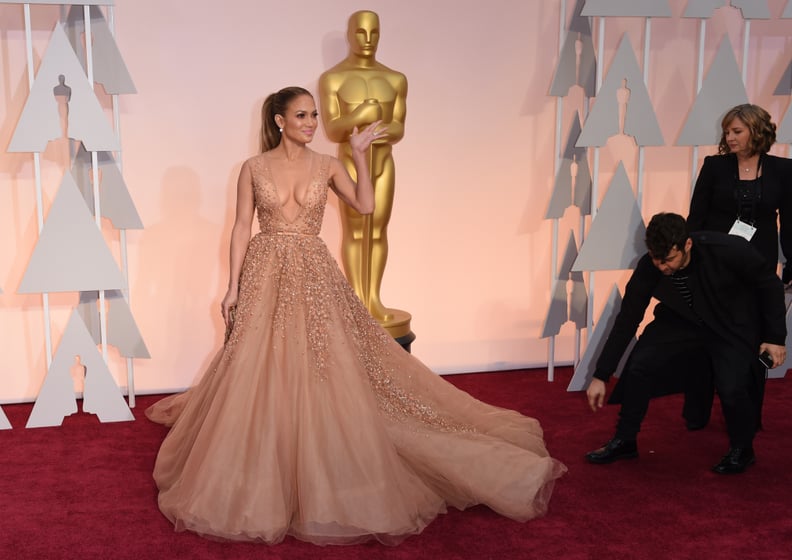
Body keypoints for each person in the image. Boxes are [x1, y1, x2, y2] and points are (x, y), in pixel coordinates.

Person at [145, 87, 565, 545]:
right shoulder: (253, 168)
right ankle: (268, 460)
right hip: (264, 271)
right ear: (280, 121)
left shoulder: (326, 165)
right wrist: (232, 287)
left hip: (312, 274)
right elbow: (243, 227)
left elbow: (364, 206)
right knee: (256, 363)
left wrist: (360, 156)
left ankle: (319, 462)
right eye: (302, 115)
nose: (312, 122)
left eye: (315, 115)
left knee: (321, 364)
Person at [584, 212, 786, 474]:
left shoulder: (727, 250)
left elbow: (769, 286)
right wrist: (601, 374)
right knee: (639, 364)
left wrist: (775, 338)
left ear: (687, 244)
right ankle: (625, 440)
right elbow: (627, 319)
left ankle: (742, 449)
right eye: (656, 259)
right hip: (681, 321)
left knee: (731, 386)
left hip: (729, 324)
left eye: (668, 259)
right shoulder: (650, 265)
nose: (662, 267)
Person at [686, 104, 792, 429]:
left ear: (756, 131)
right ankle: (698, 412)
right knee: (707, 335)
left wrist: (790, 265)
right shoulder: (714, 166)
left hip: (758, 266)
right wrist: (691, 259)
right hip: (715, 263)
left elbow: (789, 224)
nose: (729, 138)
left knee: (754, 339)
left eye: (737, 131)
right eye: (727, 132)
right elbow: (696, 217)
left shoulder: (783, 170)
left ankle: (749, 416)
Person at [318, 10, 407, 324]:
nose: (368, 40)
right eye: (361, 33)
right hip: (351, 163)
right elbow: (333, 130)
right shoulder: (334, 78)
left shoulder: (395, 79)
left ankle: (374, 299)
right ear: (349, 34)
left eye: (374, 33)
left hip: (383, 161)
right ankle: (357, 300)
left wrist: (370, 127)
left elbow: (399, 128)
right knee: (355, 231)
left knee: (379, 230)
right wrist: (363, 116)